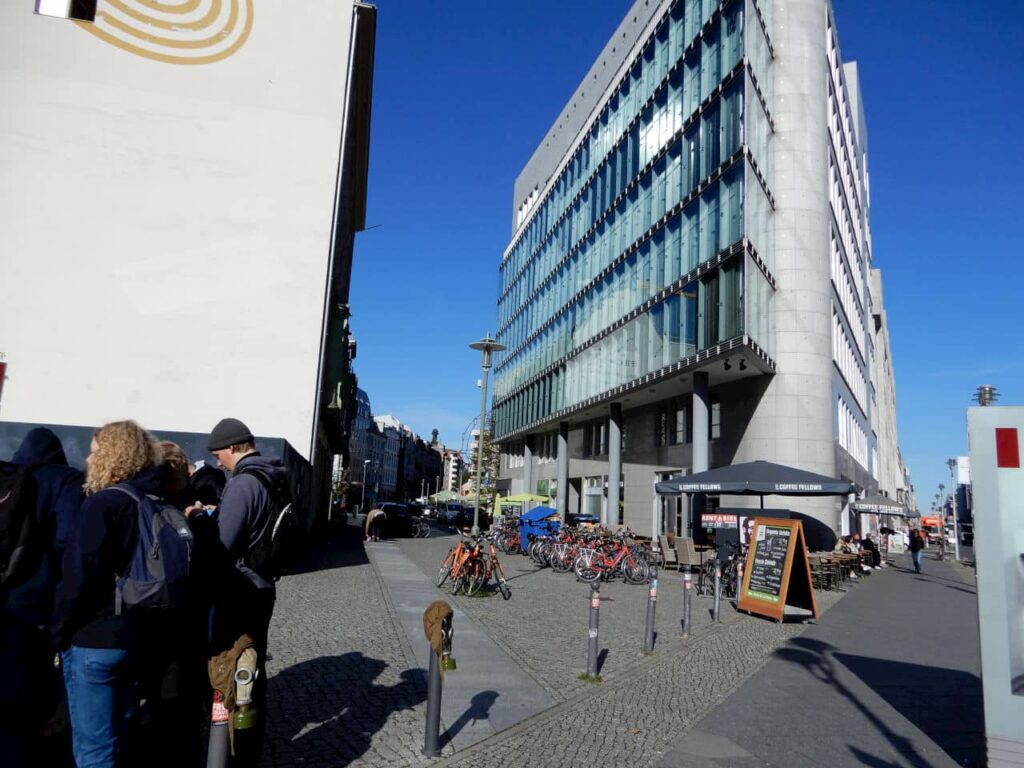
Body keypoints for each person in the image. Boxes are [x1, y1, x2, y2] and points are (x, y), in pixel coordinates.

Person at [51, 420, 164, 768]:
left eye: (95, 450)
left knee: (93, 752)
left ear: (111, 456)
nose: (87, 458)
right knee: (120, 739)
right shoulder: (150, 501)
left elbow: (78, 576)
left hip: (93, 638)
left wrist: (58, 630)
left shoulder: (103, 504)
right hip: (135, 633)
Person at [206, 417, 288, 766]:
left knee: (235, 670)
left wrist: (203, 520)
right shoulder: (274, 478)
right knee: (253, 669)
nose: (216, 462)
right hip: (264, 583)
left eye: (218, 454)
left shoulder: (243, 483)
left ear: (235, 447)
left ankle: (234, 751)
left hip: (241, 587)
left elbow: (224, 543)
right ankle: (248, 745)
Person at [1, 428, 84, 767]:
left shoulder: (9, 482)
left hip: (6, 603)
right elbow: (70, 543)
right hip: (40, 606)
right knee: (30, 695)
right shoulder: (65, 480)